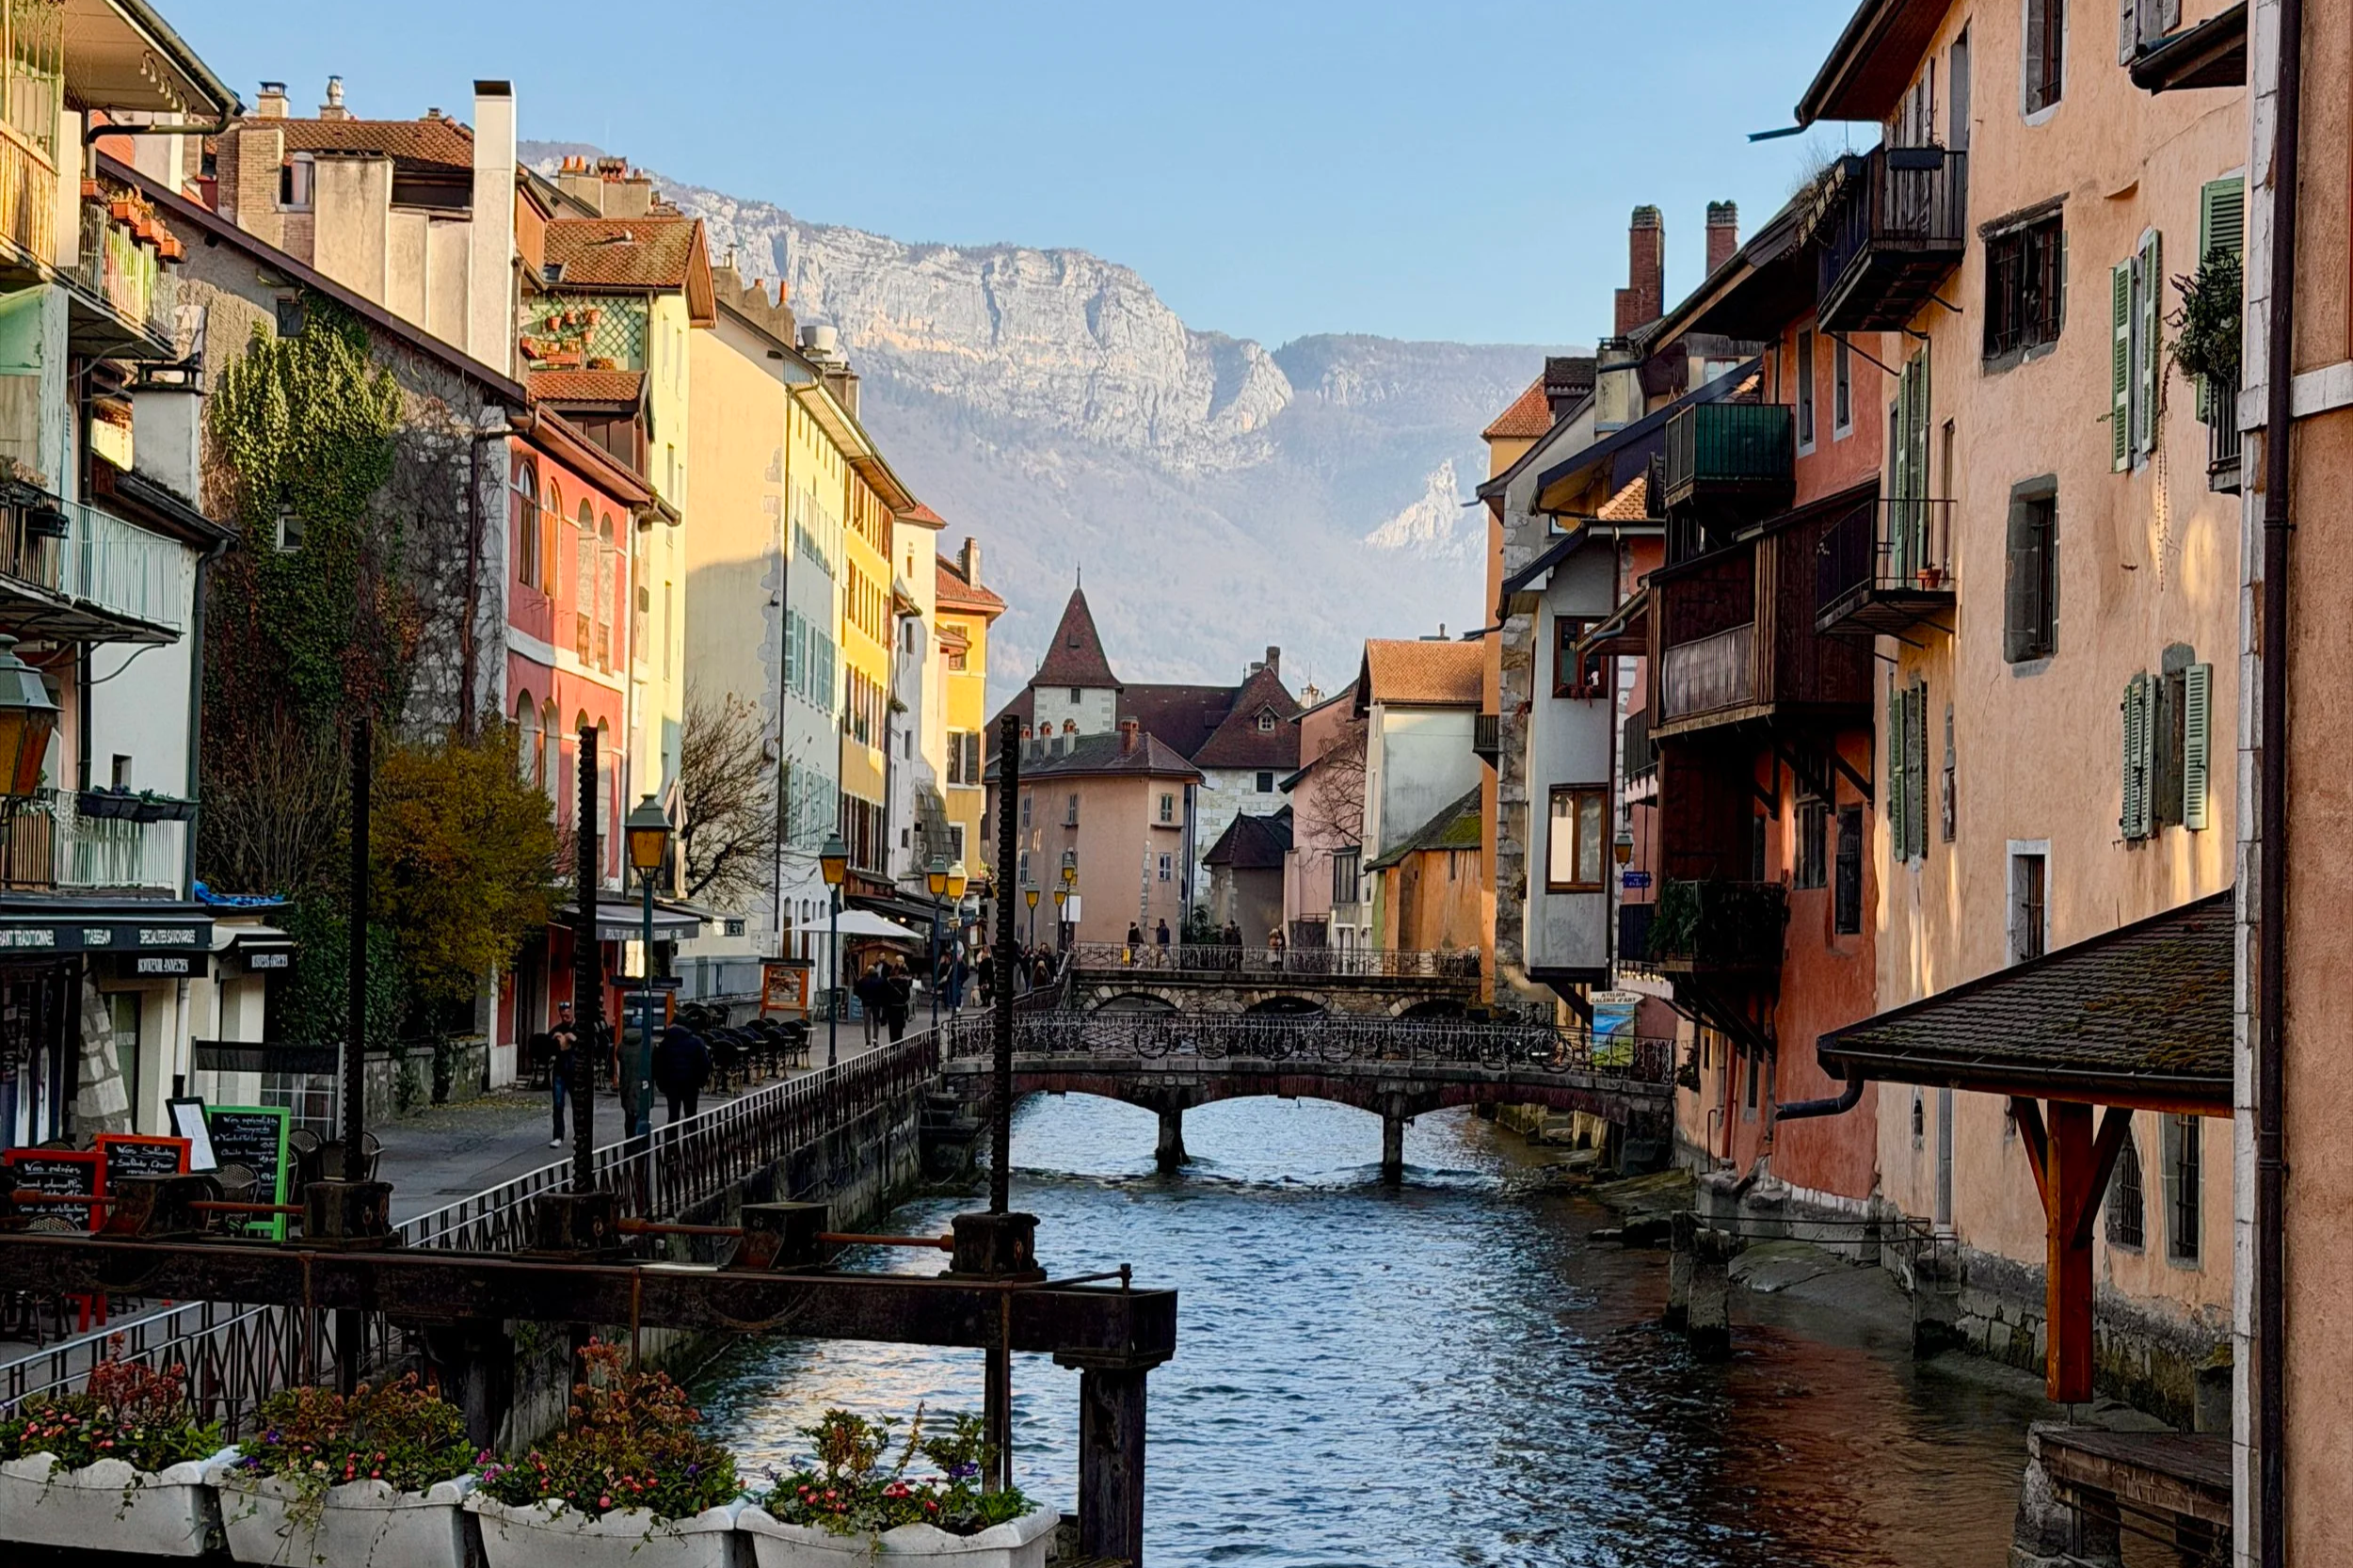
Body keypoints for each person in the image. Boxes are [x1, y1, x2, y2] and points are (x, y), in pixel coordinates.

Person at [651, 1021, 712, 1124]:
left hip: (671, 1085)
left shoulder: (665, 1044)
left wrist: (661, 1084)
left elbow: (657, 1064)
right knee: (691, 1114)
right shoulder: (696, 1042)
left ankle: (672, 1138)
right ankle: (692, 1138)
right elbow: (705, 1063)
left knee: (673, 1114)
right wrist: (701, 1081)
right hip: (691, 1084)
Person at [548, 1001, 579, 1148]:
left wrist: (575, 1041)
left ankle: (579, 1135)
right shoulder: (557, 1030)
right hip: (560, 1071)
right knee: (558, 1104)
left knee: (578, 1105)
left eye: (568, 1014)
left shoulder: (579, 1029)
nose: (566, 1016)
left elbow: (591, 1046)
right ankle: (558, 1135)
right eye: (563, 1014)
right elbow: (546, 1048)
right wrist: (554, 1042)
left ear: (572, 1012)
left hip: (575, 1071)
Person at [884, 958, 912, 1043]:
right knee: (899, 1027)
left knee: (892, 1027)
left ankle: (893, 1042)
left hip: (892, 1007)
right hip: (900, 1007)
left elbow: (887, 997)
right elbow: (907, 997)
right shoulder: (904, 983)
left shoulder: (889, 982)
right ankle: (898, 1042)